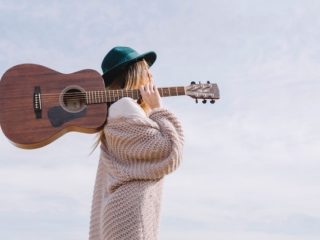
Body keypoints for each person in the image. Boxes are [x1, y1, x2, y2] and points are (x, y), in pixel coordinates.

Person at [88, 46, 184, 240]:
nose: (151, 78)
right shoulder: (125, 106)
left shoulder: (114, 113)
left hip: (119, 211)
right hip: (130, 213)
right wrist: (158, 108)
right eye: (147, 72)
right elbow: (168, 150)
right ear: (136, 74)